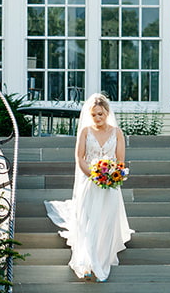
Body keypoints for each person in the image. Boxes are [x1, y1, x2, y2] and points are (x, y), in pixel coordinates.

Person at [43, 93, 133, 281]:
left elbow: (121, 161)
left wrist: (109, 177)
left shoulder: (117, 133)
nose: (97, 118)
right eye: (94, 115)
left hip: (110, 184)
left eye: (100, 114)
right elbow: (80, 158)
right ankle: (87, 261)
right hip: (89, 180)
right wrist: (94, 175)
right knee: (89, 220)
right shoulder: (85, 132)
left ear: (107, 112)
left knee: (106, 221)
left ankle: (102, 258)